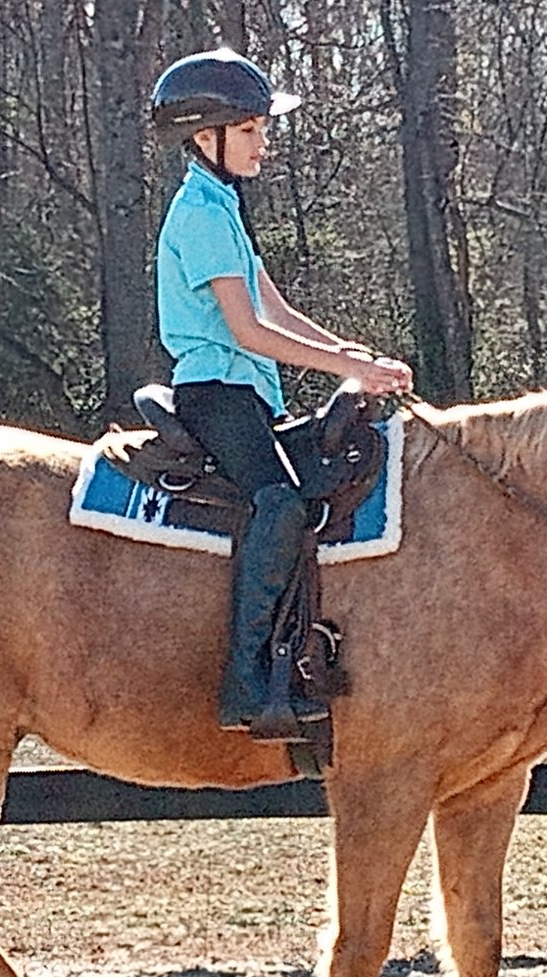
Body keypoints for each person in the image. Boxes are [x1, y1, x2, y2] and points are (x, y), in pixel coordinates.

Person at [150, 47, 414, 742]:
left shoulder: (222, 207)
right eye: (251, 130)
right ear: (205, 136)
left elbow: (278, 309)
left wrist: (354, 357)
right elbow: (247, 330)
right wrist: (340, 368)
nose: (264, 142)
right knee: (279, 502)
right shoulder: (200, 215)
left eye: (263, 128)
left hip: (245, 393)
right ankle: (245, 679)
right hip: (214, 392)